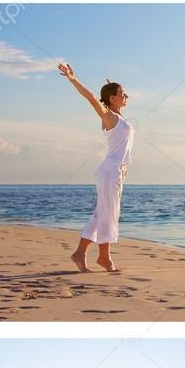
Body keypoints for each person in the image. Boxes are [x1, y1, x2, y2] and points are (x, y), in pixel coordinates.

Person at [57, 62, 134, 273]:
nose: (127, 96)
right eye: (123, 94)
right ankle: (104, 258)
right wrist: (73, 79)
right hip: (110, 171)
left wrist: (113, 94)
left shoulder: (117, 116)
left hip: (114, 172)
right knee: (108, 214)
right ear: (112, 98)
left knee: (102, 213)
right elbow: (91, 97)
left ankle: (80, 254)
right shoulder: (108, 117)